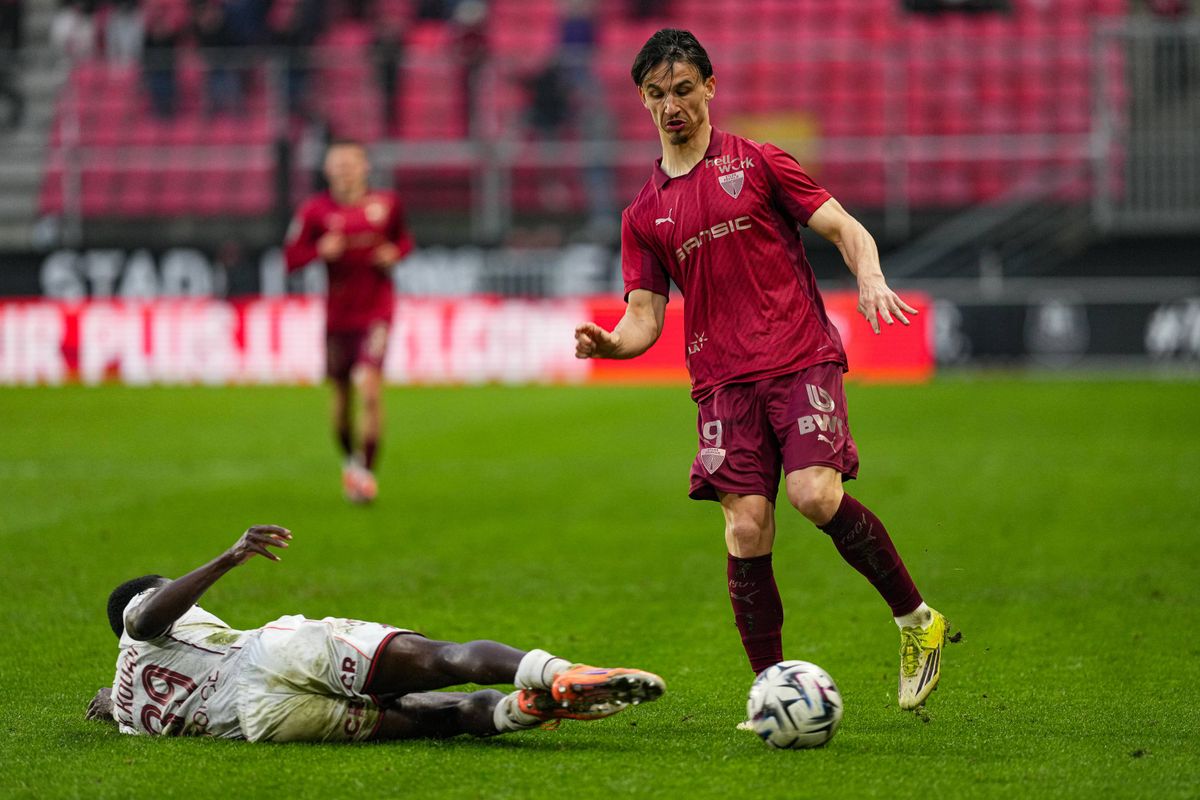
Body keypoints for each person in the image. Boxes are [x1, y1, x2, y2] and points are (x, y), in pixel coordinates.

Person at [573, 29, 950, 713]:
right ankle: (772, 690)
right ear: (643, 101)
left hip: (798, 354)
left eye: (683, 89)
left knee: (813, 495)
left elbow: (845, 228)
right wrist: (611, 344)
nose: (671, 106)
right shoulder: (643, 214)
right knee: (746, 527)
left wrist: (869, 276)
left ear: (710, 87)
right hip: (721, 381)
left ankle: (916, 620)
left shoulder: (759, 162)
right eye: (656, 95)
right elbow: (644, 318)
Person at [86, 524, 666, 742]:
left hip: (262, 722)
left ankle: (525, 710)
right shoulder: (139, 619)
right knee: (441, 658)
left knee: (432, 719)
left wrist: (111, 702)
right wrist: (228, 557)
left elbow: (121, 699)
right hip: (274, 655)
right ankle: (560, 674)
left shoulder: (128, 705)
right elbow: (143, 620)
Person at [284, 140, 413, 504]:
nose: (344, 170)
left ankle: (366, 473)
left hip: (377, 311)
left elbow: (404, 240)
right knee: (341, 396)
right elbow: (290, 257)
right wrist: (318, 251)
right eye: (338, 164)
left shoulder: (387, 204)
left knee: (369, 387)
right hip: (338, 316)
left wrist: (395, 253)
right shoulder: (314, 211)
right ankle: (350, 461)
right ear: (327, 170)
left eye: (351, 163)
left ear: (365, 167)